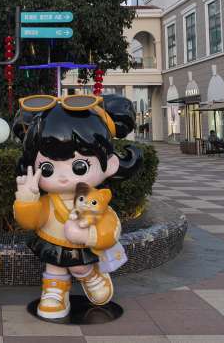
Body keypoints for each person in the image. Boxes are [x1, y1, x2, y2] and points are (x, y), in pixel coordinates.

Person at [13, 94, 142, 320]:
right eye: (48, 168)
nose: (63, 177)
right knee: (54, 267)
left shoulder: (95, 199)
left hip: (83, 247)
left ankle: (90, 276)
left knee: (79, 267)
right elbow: (31, 221)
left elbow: (109, 227)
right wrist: (27, 201)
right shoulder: (48, 201)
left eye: (79, 166)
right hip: (53, 242)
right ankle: (54, 292)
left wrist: (90, 235)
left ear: (110, 163)